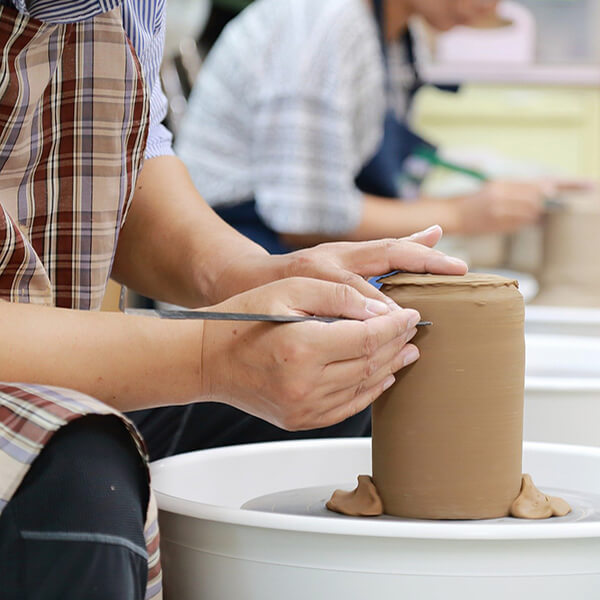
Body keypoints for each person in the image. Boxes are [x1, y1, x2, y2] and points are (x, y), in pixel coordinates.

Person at [0, 1, 467, 597]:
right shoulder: (327, 22)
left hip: (57, 350)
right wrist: (210, 359)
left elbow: (122, 163)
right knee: (79, 483)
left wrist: (258, 276)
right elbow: (304, 209)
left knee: (346, 386)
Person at [176, 0, 560, 255]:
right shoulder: (325, 20)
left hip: (299, 261)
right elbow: (304, 219)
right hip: (234, 267)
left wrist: (517, 181)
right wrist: (462, 214)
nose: (489, 6)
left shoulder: (399, 35)